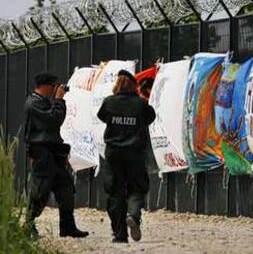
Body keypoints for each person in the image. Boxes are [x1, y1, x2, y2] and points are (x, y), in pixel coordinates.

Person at [24, 72, 89, 238]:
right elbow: (53, 120)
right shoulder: (33, 103)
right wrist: (59, 100)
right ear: (46, 86)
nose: (56, 89)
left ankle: (68, 227)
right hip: (42, 153)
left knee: (66, 189)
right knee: (40, 191)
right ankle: (28, 225)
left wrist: (57, 101)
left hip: (54, 152)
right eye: (54, 86)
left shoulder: (43, 102)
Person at [97, 69, 155, 243]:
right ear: (133, 85)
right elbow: (150, 118)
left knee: (115, 192)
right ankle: (133, 215)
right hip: (135, 153)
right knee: (137, 188)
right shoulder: (140, 104)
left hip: (113, 153)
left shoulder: (109, 102)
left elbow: (102, 117)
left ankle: (119, 234)